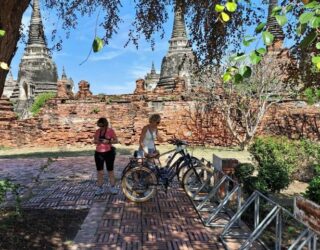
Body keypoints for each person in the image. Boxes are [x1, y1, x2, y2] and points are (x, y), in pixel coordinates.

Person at [93, 117, 118, 195]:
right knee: (100, 172)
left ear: (106, 125)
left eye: (102, 126)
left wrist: (109, 141)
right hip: (98, 153)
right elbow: (94, 141)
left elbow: (116, 140)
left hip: (109, 153)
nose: (101, 128)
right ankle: (100, 188)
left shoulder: (111, 131)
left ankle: (113, 187)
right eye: (99, 126)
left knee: (110, 171)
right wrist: (98, 141)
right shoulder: (97, 131)